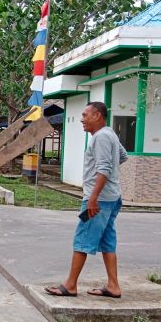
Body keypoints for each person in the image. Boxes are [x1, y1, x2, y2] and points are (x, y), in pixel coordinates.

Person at [46, 101, 128, 299]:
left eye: (85, 115)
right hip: (112, 197)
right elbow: (122, 156)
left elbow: (104, 168)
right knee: (108, 242)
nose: (82, 119)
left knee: (82, 239)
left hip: (99, 200)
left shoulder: (101, 137)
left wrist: (93, 198)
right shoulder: (110, 134)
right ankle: (113, 285)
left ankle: (70, 285)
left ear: (97, 115)